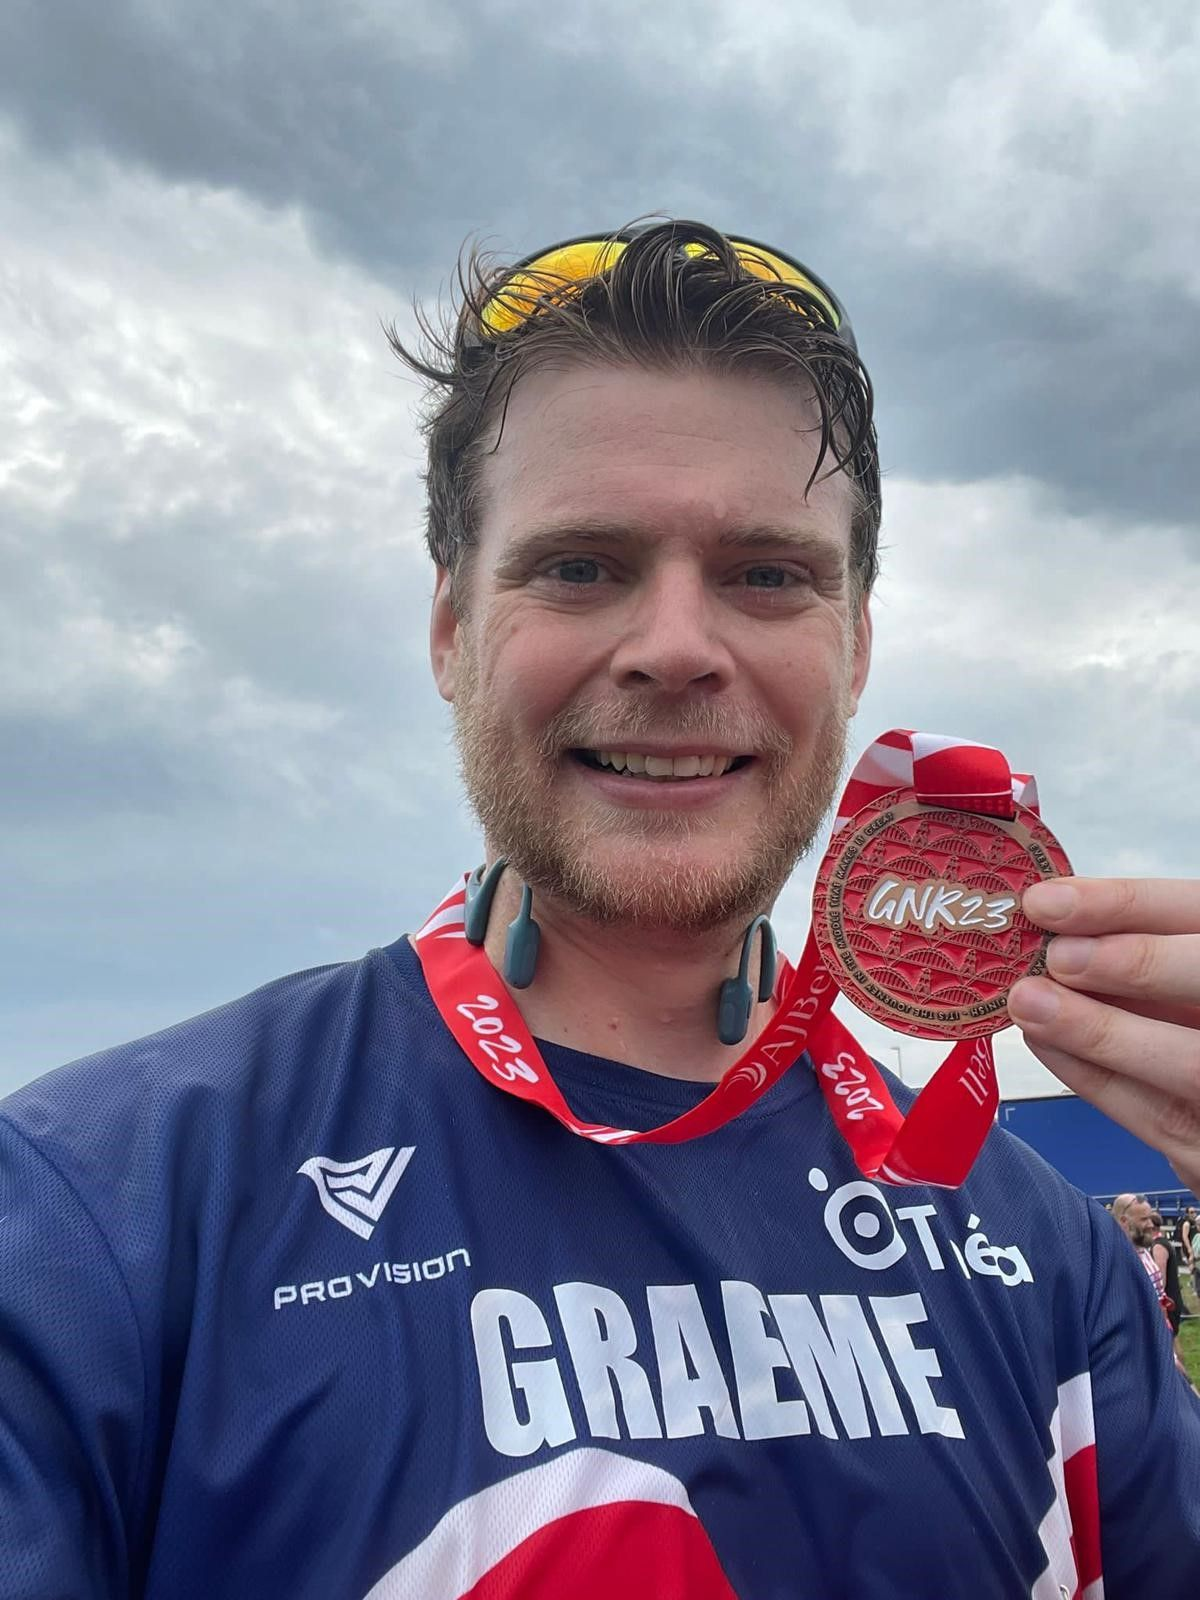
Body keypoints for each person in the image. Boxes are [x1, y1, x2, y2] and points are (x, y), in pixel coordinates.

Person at [2, 220, 1200, 1599]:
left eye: (767, 572)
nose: (678, 648)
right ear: (452, 628)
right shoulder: (93, 1214)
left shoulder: (1039, 1250)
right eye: (581, 565)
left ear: (855, 645)